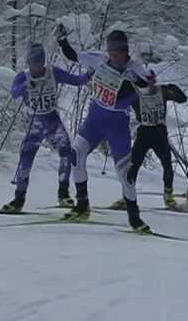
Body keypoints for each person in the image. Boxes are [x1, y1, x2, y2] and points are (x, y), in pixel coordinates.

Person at [55, 24, 153, 231]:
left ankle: (134, 217)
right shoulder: (99, 59)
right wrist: (62, 40)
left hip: (117, 126)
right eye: (112, 53)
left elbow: (147, 87)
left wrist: (135, 79)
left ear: (126, 52)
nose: (115, 57)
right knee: (76, 154)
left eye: (119, 53)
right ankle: (82, 205)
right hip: (95, 120)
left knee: (125, 173)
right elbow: (73, 55)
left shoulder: (134, 67)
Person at [1, 43, 90, 213]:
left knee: (67, 153)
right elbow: (14, 93)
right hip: (34, 123)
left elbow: (76, 81)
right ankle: (18, 199)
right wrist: (26, 87)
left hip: (51, 121)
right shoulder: (23, 77)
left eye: (39, 64)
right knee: (26, 159)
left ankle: (63, 194)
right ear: (29, 63)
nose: (37, 68)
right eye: (33, 64)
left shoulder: (52, 72)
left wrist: (90, 74)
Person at [109, 81, 188, 210]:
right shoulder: (135, 93)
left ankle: (168, 196)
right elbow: (116, 100)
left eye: (151, 82)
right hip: (144, 132)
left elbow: (182, 99)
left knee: (167, 164)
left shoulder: (162, 91)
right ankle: (126, 196)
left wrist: (174, 87)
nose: (149, 87)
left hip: (159, 133)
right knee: (133, 166)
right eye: (145, 84)